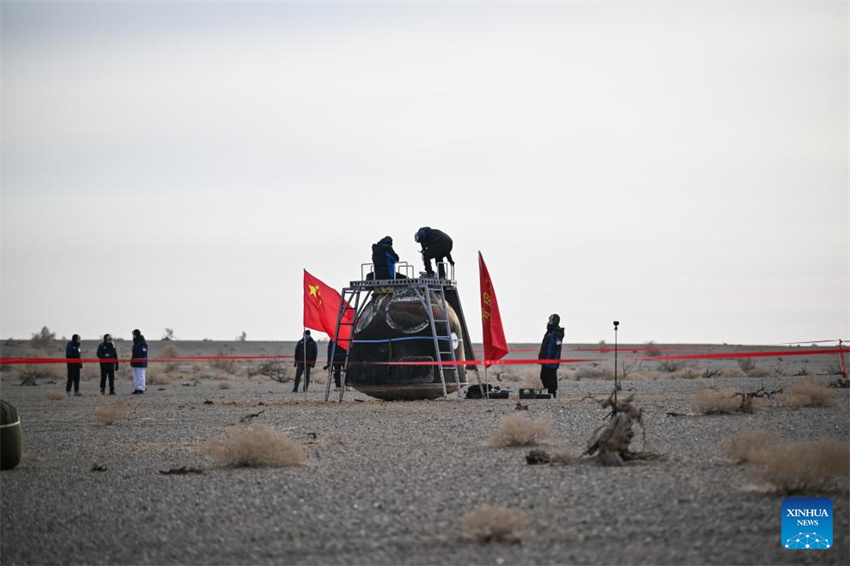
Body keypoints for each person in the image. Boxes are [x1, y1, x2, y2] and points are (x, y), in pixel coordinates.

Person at [538, 314, 565, 398]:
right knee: (543, 376)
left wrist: (552, 358)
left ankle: (552, 393)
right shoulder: (549, 332)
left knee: (551, 376)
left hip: (552, 360)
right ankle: (547, 391)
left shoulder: (557, 332)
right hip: (545, 359)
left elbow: (557, 345)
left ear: (555, 321)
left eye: (550, 320)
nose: (548, 322)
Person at [130, 329, 148, 394]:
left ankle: (141, 388)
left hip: (141, 363)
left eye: (134, 334)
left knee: (140, 375)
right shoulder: (136, 343)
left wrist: (139, 360)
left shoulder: (142, 342)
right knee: (135, 376)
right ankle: (137, 388)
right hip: (135, 362)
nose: (133, 336)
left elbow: (143, 352)